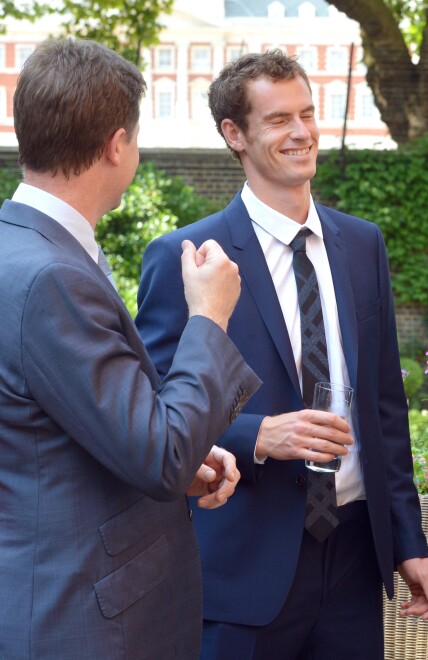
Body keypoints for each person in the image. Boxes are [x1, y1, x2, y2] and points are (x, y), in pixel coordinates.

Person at [136, 49, 428, 659]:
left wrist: (408, 541)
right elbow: (153, 411)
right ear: (235, 134)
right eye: (278, 120)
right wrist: (257, 434)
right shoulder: (188, 256)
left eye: (307, 113)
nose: (302, 132)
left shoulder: (361, 243)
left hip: (356, 559)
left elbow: (385, 406)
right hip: (241, 568)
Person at [0, 38, 261, 658]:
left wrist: (183, 461)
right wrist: (208, 317)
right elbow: (160, 454)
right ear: (117, 145)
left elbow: (57, 427)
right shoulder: (52, 278)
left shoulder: (22, 248)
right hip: (83, 621)